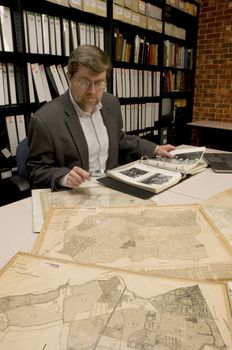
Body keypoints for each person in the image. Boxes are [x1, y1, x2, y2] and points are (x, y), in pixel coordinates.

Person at [27, 45, 175, 190]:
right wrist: (65, 177)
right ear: (70, 77)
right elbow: (35, 171)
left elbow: (118, 138)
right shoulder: (45, 120)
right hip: (76, 193)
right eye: (84, 82)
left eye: (99, 83)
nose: (92, 91)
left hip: (111, 187)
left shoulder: (111, 103)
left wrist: (155, 149)